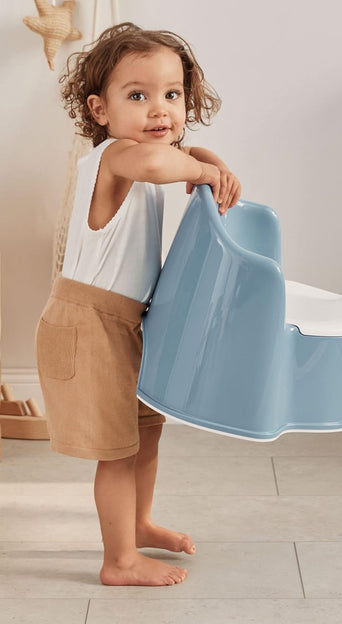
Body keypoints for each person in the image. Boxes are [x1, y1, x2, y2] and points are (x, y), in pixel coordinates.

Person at [35, 22, 241, 587]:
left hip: (124, 322)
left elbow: (174, 155)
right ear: (100, 110)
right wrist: (204, 171)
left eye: (172, 94)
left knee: (147, 432)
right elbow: (157, 165)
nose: (159, 109)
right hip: (87, 323)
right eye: (138, 95)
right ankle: (118, 560)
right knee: (118, 451)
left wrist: (209, 161)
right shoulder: (114, 157)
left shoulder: (149, 153)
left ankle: (139, 524)